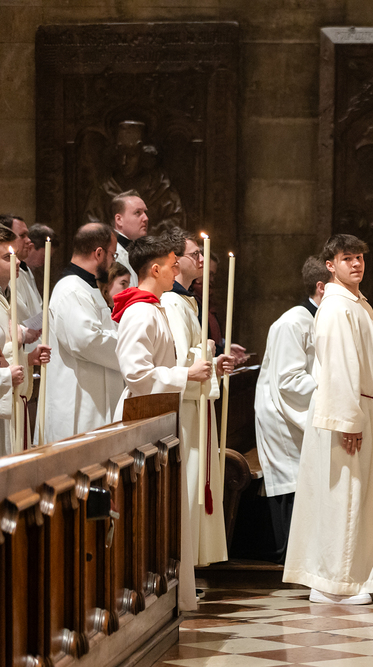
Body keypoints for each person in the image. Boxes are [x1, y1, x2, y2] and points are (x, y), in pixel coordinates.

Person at [283, 234, 373, 605]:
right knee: (343, 497)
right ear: (331, 265)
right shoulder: (336, 307)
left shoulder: (358, 304)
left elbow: (364, 367)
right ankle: (333, 583)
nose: (356, 264)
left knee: (359, 498)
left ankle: (353, 578)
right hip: (346, 416)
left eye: (359, 257)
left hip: (360, 409)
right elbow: (338, 370)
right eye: (347, 258)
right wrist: (347, 422)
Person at [112, 234, 222, 611]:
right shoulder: (140, 312)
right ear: (155, 269)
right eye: (174, 264)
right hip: (142, 416)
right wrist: (185, 374)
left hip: (158, 415)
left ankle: (169, 594)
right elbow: (136, 374)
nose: (179, 270)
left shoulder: (154, 307)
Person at [159, 227, 231, 591]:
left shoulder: (188, 300)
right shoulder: (172, 302)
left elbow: (193, 354)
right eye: (195, 254)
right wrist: (204, 358)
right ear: (175, 260)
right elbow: (177, 357)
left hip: (196, 401)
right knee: (187, 482)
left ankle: (189, 568)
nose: (202, 259)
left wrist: (213, 363)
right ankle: (180, 570)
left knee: (197, 480)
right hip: (184, 406)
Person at [254, 256, 329, 563]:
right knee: (293, 483)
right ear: (322, 288)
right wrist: (333, 392)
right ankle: (289, 558)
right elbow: (289, 380)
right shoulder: (293, 322)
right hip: (283, 417)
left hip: (301, 412)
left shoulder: (318, 319)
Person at [39, 223, 123, 445]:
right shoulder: (71, 289)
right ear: (99, 253)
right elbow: (87, 341)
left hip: (95, 396)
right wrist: (131, 346)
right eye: (112, 255)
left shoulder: (86, 287)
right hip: (80, 401)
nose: (113, 262)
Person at [0, 227, 49, 455]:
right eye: (7, 257)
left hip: (11, 401)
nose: (17, 262)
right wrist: (4, 376)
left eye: (16, 256)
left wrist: (27, 359)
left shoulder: (7, 297)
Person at [0, 214, 42, 343]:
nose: (17, 261)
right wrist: (23, 336)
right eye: (8, 257)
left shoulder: (21, 272)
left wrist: (29, 354)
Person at [111, 190, 149, 287]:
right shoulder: (111, 255)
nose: (146, 218)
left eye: (145, 212)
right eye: (137, 213)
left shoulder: (140, 251)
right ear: (119, 220)